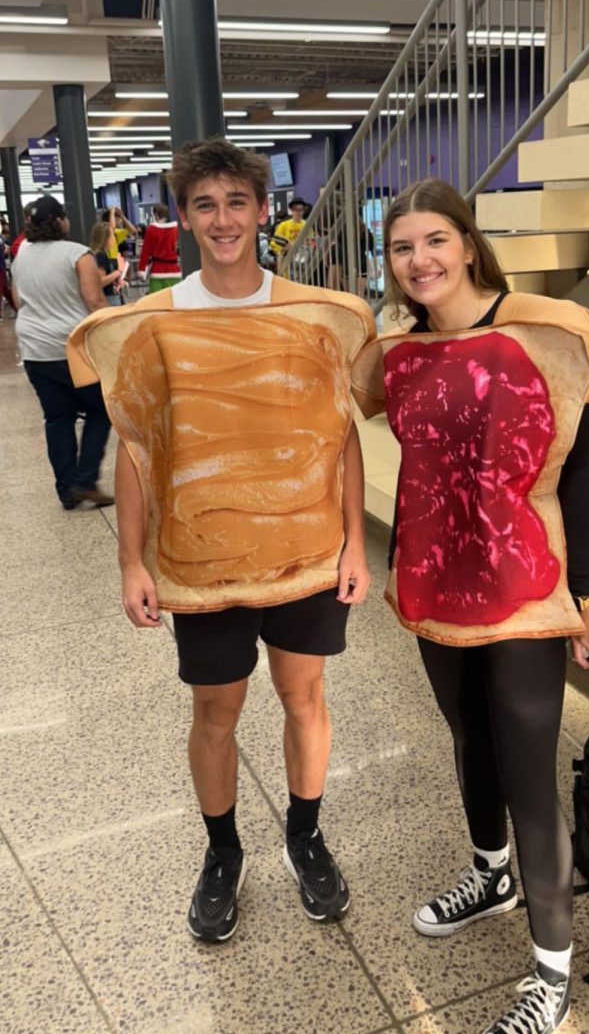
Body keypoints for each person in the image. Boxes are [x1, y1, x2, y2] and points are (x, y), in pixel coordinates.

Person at [67, 138, 375, 945]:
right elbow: (136, 449)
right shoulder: (155, 329)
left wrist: (354, 544)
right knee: (215, 710)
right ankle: (222, 852)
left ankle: (304, 836)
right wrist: (130, 559)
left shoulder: (308, 315)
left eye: (236, 202)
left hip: (307, 553)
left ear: (262, 209)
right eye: (204, 205)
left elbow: (341, 434)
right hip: (201, 566)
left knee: (303, 699)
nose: (223, 219)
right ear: (182, 217)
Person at [352, 179, 589, 1034]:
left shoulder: (544, 333)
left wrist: (584, 589)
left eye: (433, 241)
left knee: (525, 763)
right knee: (468, 735)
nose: (419, 261)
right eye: (402, 248)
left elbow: (583, 469)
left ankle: (550, 971)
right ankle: (490, 873)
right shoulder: (394, 354)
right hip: (434, 580)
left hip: (526, 586)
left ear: (467, 243)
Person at [11, 195, 113, 510]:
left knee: (57, 418)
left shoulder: (20, 258)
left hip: (34, 349)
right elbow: (94, 302)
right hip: (72, 348)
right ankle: (85, 479)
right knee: (100, 409)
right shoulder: (78, 254)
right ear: (59, 221)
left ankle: (67, 489)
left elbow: (18, 303)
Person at [136, 201, 180, 291]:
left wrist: (142, 270)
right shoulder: (176, 229)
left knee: (157, 302)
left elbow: (145, 252)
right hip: (174, 270)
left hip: (157, 271)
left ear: (155, 214)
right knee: (173, 301)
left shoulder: (152, 229)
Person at [89, 220, 123, 306]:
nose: (114, 238)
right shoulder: (101, 256)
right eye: (112, 235)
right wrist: (118, 271)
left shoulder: (93, 254)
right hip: (108, 300)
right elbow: (100, 281)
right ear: (106, 238)